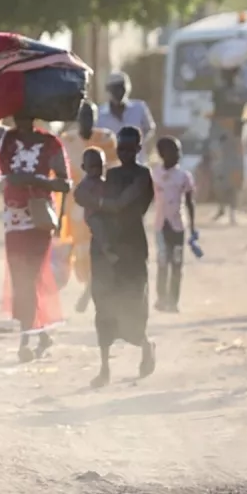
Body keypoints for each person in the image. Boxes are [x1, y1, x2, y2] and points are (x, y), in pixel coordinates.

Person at [0, 87, 72, 362]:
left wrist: (35, 180)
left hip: (39, 217)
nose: (20, 118)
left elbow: (65, 183)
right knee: (21, 276)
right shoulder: (4, 139)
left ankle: (27, 337)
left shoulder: (50, 143)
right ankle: (40, 332)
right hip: (14, 218)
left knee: (31, 275)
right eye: (17, 113)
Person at [78, 126, 155, 388]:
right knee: (104, 306)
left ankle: (145, 345)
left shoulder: (143, 175)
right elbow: (83, 195)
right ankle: (105, 367)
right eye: (121, 148)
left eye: (130, 148)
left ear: (138, 148)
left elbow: (121, 203)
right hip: (107, 247)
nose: (125, 153)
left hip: (132, 247)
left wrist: (95, 203)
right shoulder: (110, 175)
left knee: (133, 303)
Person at [59, 101, 118, 312]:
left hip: (100, 202)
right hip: (75, 205)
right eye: (83, 116)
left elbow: (114, 172)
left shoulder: (105, 139)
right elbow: (59, 174)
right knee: (81, 252)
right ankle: (89, 289)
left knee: (99, 248)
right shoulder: (67, 140)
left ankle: (90, 293)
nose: (87, 120)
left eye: (90, 116)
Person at [152, 136, 198, 312]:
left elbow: (189, 202)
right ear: (163, 154)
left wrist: (193, 227)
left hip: (178, 226)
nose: (178, 155)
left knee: (177, 264)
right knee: (163, 262)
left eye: (179, 151)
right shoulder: (155, 174)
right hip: (160, 226)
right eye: (174, 151)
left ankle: (173, 301)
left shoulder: (184, 177)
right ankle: (161, 299)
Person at [206, 66, 247, 223]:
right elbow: (216, 111)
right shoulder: (219, 91)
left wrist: (242, 122)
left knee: (235, 170)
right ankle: (223, 207)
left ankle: (234, 209)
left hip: (234, 134)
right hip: (222, 133)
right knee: (221, 171)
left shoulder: (242, 91)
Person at [96, 71, 155, 151]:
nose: (119, 92)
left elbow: (149, 128)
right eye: (115, 89)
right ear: (108, 89)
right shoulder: (99, 113)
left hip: (136, 159)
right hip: (111, 161)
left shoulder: (139, 108)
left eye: (122, 88)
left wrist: (135, 143)